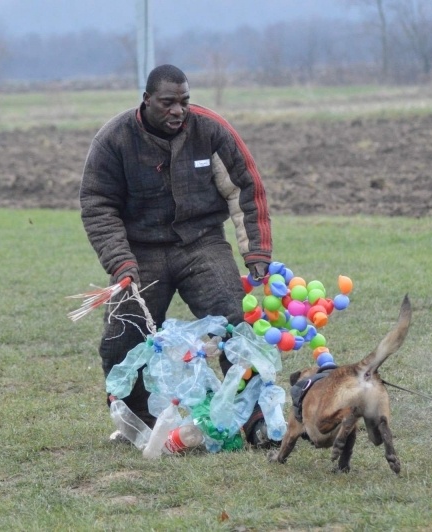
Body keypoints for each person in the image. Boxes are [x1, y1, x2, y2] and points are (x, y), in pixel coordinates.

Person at [79, 64, 274, 447]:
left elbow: (245, 187)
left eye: (184, 101)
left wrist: (255, 251)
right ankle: (139, 425)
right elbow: (98, 204)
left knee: (238, 326)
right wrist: (121, 262)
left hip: (202, 244)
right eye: (168, 103)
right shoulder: (114, 139)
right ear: (147, 100)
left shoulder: (210, 130)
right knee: (120, 339)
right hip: (140, 253)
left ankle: (253, 421)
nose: (178, 111)